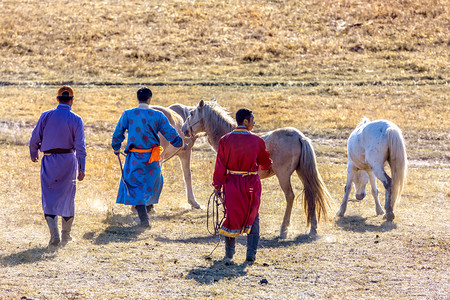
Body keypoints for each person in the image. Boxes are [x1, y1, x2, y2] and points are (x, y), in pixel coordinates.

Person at [112, 87, 186, 227]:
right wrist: (181, 144)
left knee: (135, 185)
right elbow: (170, 133)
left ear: (137, 98)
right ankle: (146, 213)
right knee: (153, 183)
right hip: (153, 158)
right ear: (149, 99)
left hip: (134, 158)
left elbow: (118, 134)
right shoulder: (157, 115)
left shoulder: (128, 114)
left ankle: (144, 217)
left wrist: (116, 148)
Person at [212, 108, 272, 264]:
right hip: (251, 184)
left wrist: (217, 186)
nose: (254, 122)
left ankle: (229, 255)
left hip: (231, 184)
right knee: (253, 216)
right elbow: (266, 164)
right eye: (252, 119)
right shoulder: (257, 141)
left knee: (231, 216)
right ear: (245, 121)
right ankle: (250, 255)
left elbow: (220, 166)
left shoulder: (225, 140)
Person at [29, 86, 86, 247]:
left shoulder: (46, 115)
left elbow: (34, 139)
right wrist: (82, 167)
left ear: (57, 99)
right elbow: (80, 146)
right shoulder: (76, 119)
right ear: (72, 101)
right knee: (68, 197)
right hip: (68, 160)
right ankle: (66, 235)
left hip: (48, 160)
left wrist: (33, 153)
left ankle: (54, 234)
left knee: (49, 196)